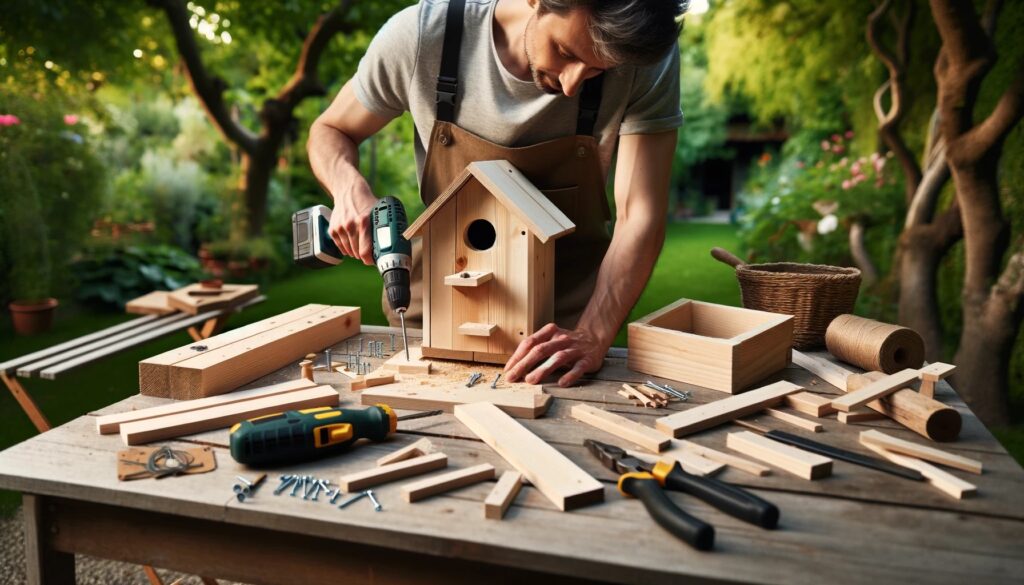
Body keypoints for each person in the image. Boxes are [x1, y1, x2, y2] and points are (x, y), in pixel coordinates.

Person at [308, 0, 685, 387]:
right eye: (565, 52)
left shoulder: (640, 53)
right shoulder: (423, 37)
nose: (573, 85)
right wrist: (347, 186)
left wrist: (593, 332)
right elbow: (331, 130)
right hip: (438, 313)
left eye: (598, 70)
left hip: (561, 327)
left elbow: (640, 213)